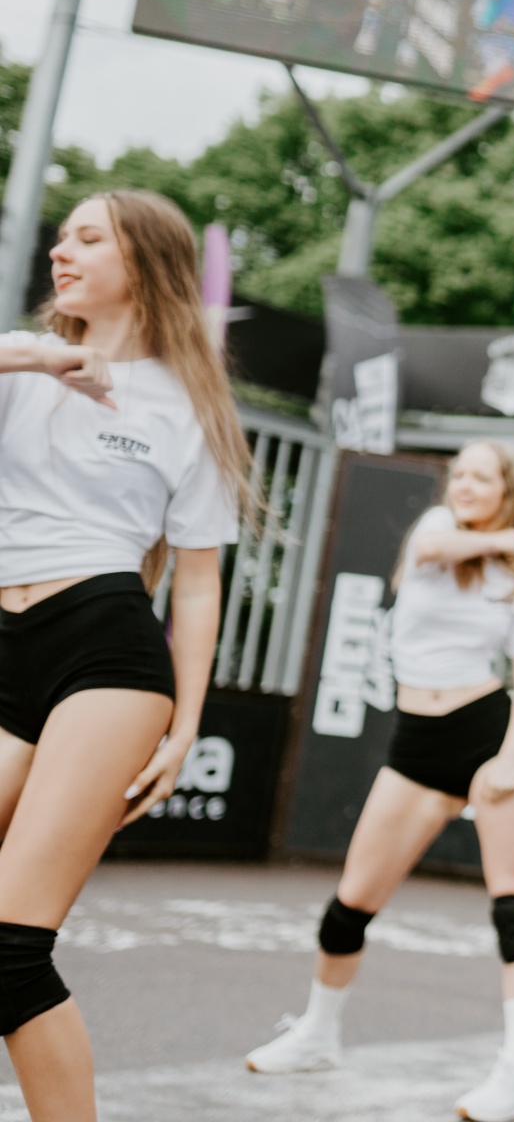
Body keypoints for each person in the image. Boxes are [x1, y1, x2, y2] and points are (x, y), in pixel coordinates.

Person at [0, 191, 249, 1121]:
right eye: (61, 236)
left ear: (142, 262)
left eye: (88, 237)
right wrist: (36, 356)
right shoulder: (21, 366)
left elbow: (197, 584)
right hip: (6, 642)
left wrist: (186, 727)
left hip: (104, 651)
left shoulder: (187, 405)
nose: (61, 251)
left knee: (9, 949)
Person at [246, 440, 514, 1122]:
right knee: (350, 903)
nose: (465, 485)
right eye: (460, 474)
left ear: (509, 491)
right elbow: (436, 551)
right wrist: (504, 539)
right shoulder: (437, 529)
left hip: (485, 732)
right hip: (416, 740)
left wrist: (510, 756)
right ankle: (318, 1033)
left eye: (482, 478)